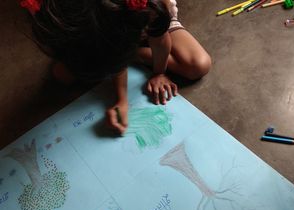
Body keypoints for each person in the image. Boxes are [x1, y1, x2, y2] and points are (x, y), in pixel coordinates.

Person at [21, 0, 211, 134]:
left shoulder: (151, 8)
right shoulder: (51, 13)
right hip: (96, 25)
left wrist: (159, 73)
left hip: (144, 17)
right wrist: (121, 98)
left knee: (198, 65)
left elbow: (160, 41)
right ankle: (125, 54)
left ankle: (130, 53)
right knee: (61, 76)